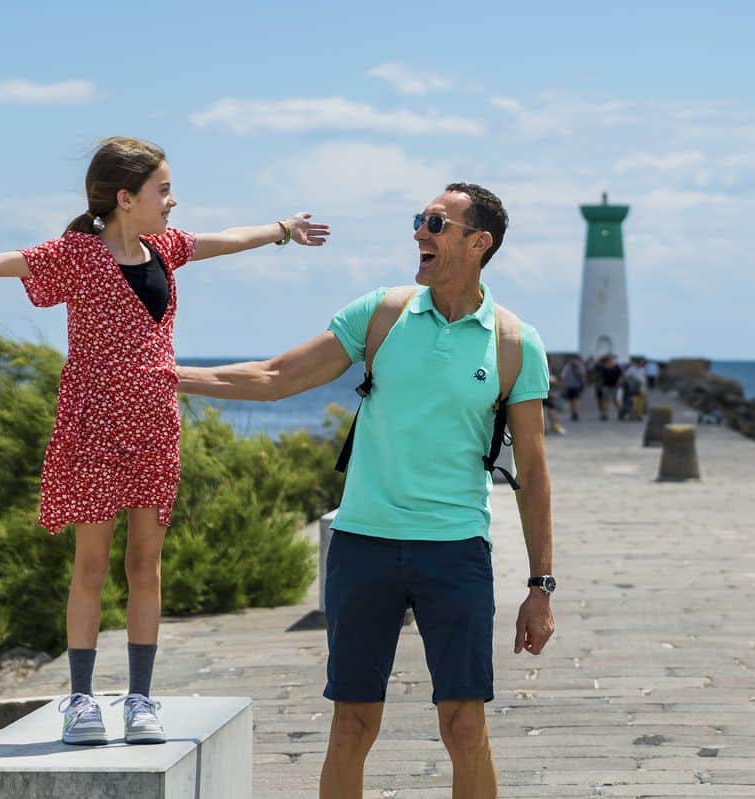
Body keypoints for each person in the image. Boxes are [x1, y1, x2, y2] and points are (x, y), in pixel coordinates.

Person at [0, 137, 329, 745]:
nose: (173, 201)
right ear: (126, 199)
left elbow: (225, 239)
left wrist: (282, 229)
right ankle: (79, 699)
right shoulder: (76, 255)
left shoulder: (165, 248)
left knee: (144, 566)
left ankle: (139, 700)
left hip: (156, 426)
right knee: (91, 564)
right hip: (93, 430)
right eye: (163, 191)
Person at [174, 183, 556, 799]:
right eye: (418, 219)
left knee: (464, 725)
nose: (418, 233)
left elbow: (533, 476)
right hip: (362, 547)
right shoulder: (381, 314)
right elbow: (275, 377)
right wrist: (165, 377)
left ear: (478, 242)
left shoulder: (514, 345)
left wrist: (540, 587)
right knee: (352, 724)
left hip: (454, 552)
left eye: (435, 222)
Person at [560, 355, 588, 422]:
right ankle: (574, 412)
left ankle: (574, 412)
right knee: (573, 400)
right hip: (573, 386)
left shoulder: (569, 366)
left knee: (573, 400)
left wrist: (563, 384)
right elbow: (584, 374)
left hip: (573, 386)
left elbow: (563, 376)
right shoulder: (575, 366)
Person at [595, 353, 623, 421]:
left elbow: (621, 376)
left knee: (615, 400)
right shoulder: (604, 367)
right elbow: (601, 375)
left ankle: (620, 412)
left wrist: (619, 382)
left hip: (615, 386)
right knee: (605, 400)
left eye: (611, 360)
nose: (610, 362)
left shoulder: (617, 367)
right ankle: (605, 414)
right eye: (608, 360)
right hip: (606, 385)